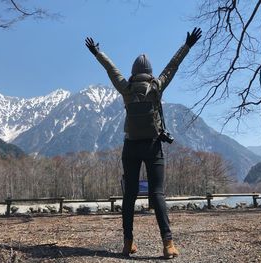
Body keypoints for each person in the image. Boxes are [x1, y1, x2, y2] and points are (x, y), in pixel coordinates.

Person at [85, 28, 202, 259]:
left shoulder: (125, 88)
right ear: (149, 72)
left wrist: (97, 53)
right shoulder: (156, 87)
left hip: (130, 146)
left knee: (129, 194)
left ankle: (128, 243)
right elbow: (172, 66)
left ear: (133, 72)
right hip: (152, 146)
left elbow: (111, 69)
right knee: (157, 193)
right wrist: (187, 45)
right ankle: (168, 244)